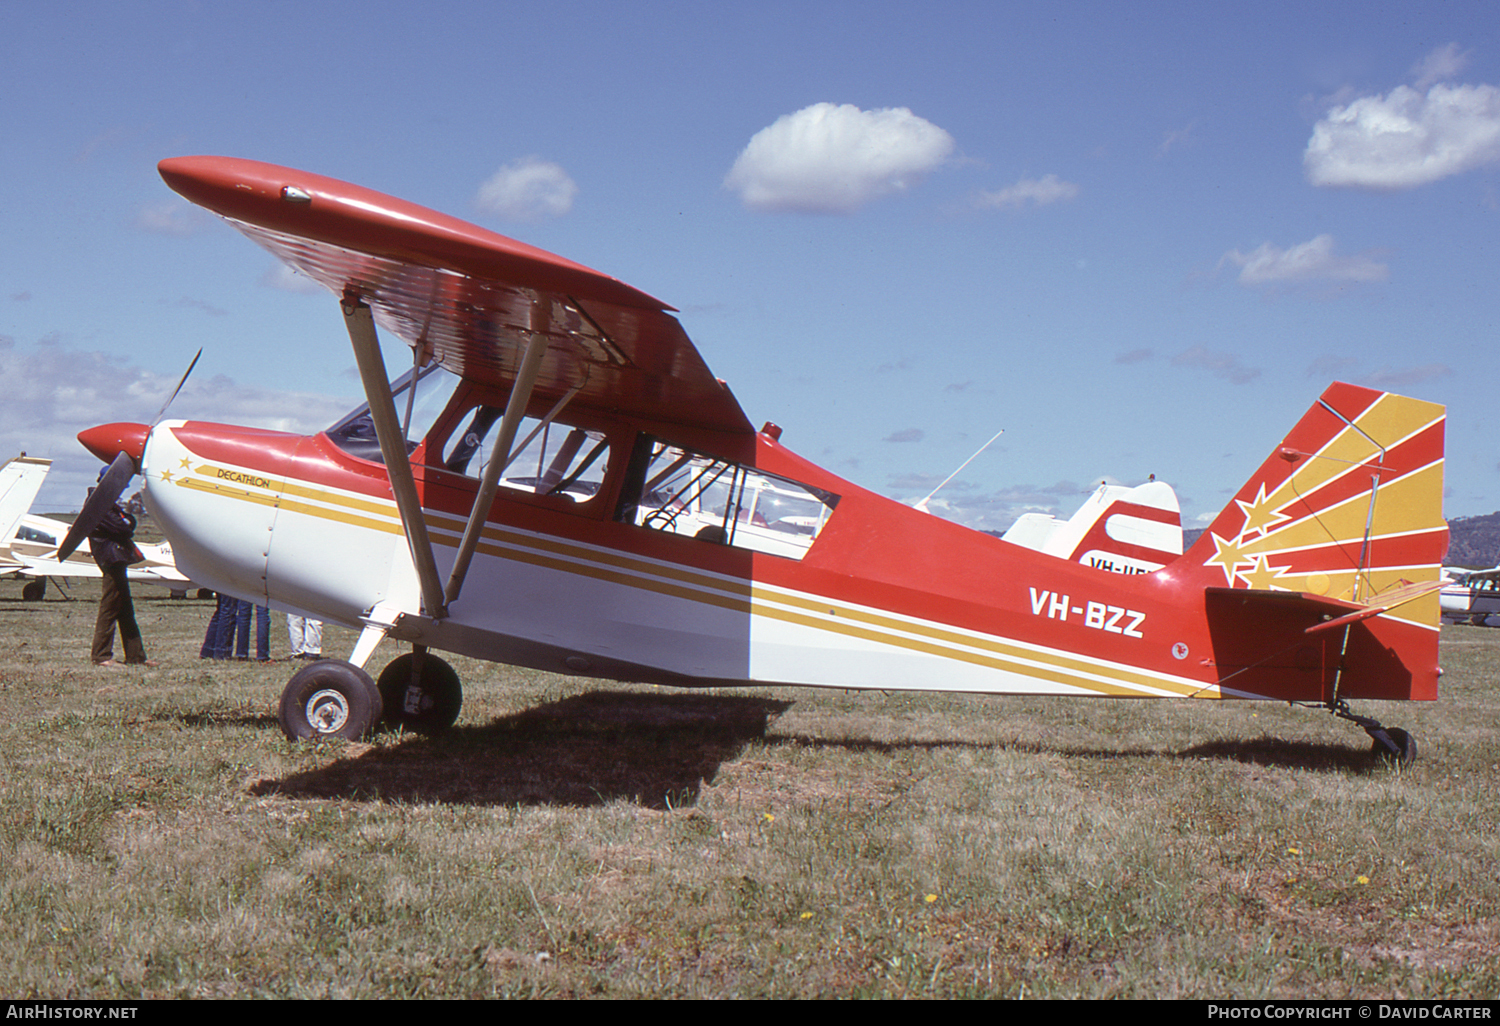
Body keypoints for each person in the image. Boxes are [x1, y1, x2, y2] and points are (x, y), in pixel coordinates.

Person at [90, 501, 154, 667]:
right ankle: (101, 656)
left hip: (116, 558)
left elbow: (127, 523)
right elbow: (124, 528)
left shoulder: (108, 505)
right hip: (111, 558)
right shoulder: (101, 504)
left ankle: (136, 656)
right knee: (109, 608)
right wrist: (127, 522)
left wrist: (127, 522)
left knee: (125, 609)